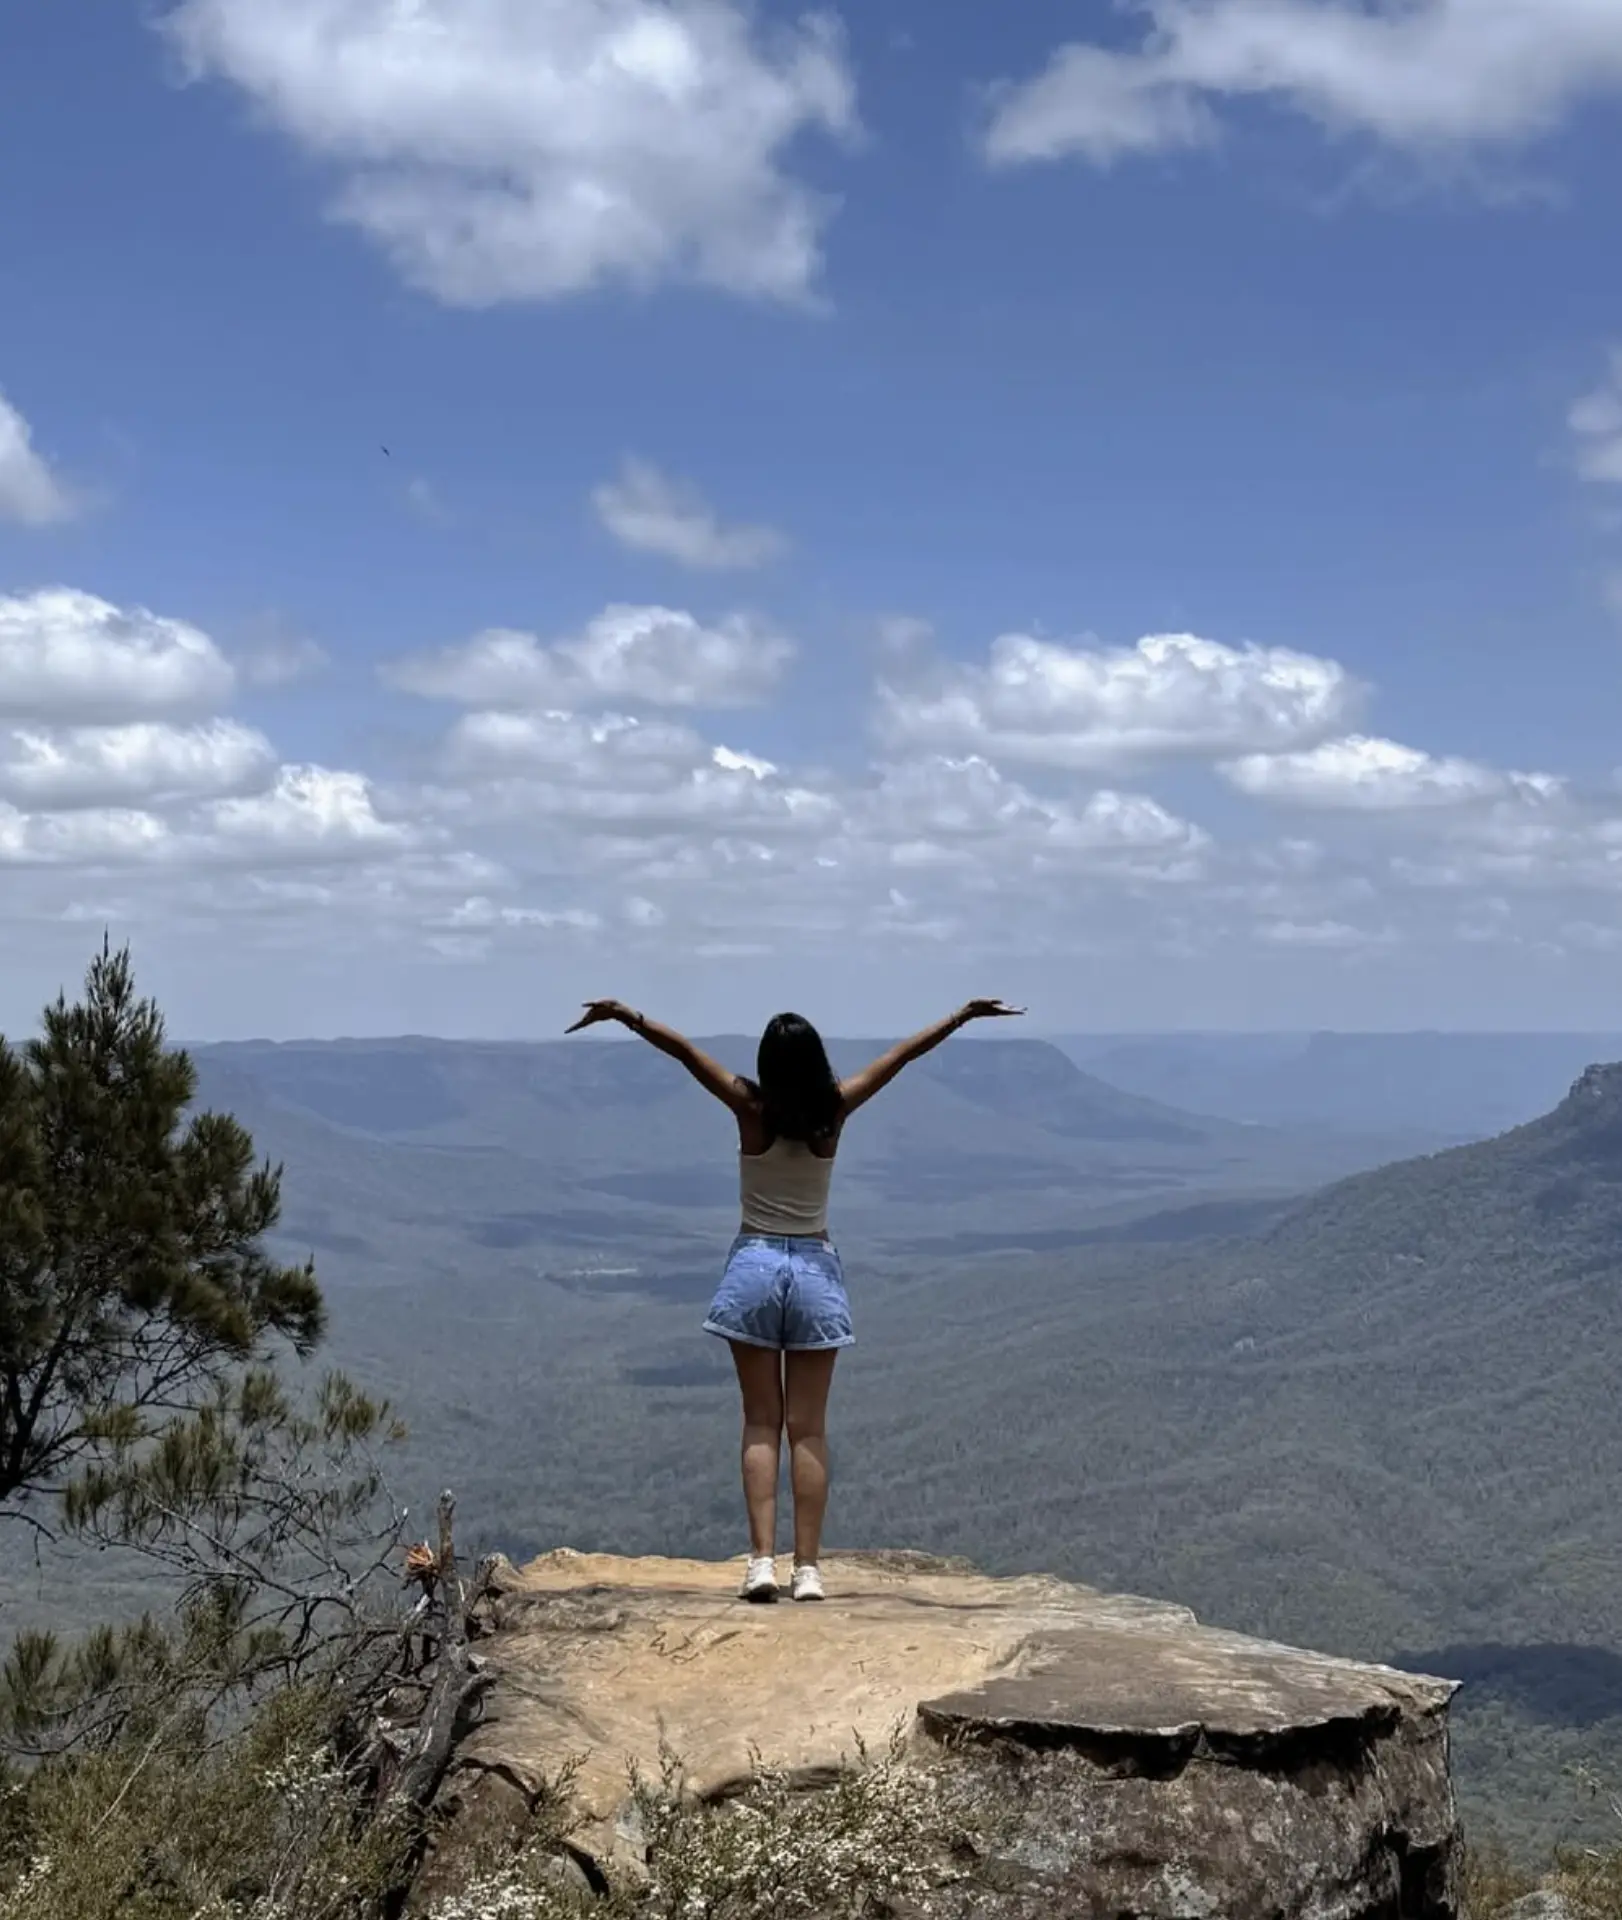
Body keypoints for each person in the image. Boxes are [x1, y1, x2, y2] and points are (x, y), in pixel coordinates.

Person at [564, 998, 1024, 1603]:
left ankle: (760, 1562)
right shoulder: (834, 1109)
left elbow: (685, 1056)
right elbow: (900, 1057)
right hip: (814, 1268)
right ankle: (807, 1569)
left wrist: (627, 1017)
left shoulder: (749, 1108)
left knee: (761, 1421)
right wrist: (961, 1016)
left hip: (753, 1265)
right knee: (807, 1430)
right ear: (814, 1062)